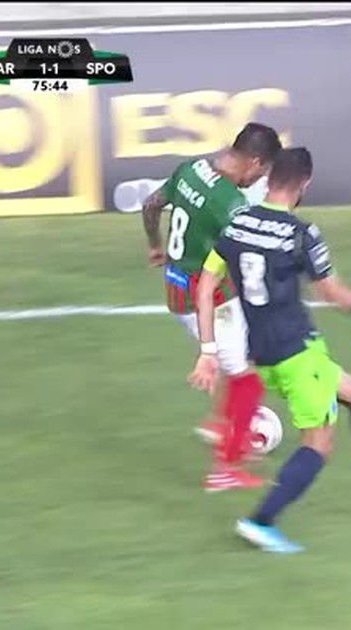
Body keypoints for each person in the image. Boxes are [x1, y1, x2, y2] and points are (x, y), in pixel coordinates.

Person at [189, 147, 351, 554]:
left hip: (262, 353)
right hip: (297, 354)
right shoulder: (299, 234)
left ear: (269, 179)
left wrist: (207, 349)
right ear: (304, 184)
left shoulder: (237, 226)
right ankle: (260, 522)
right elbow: (335, 295)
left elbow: (204, 285)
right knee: (318, 444)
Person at [140, 122, 282, 492]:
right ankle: (226, 468)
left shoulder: (191, 169)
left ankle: (220, 425)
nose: (259, 180)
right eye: (263, 172)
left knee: (237, 361)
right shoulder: (231, 205)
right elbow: (248, 260)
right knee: (248, 382)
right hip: (207, 299)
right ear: (255, 162)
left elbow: (151, 204)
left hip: (176, 290)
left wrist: (154, 245)